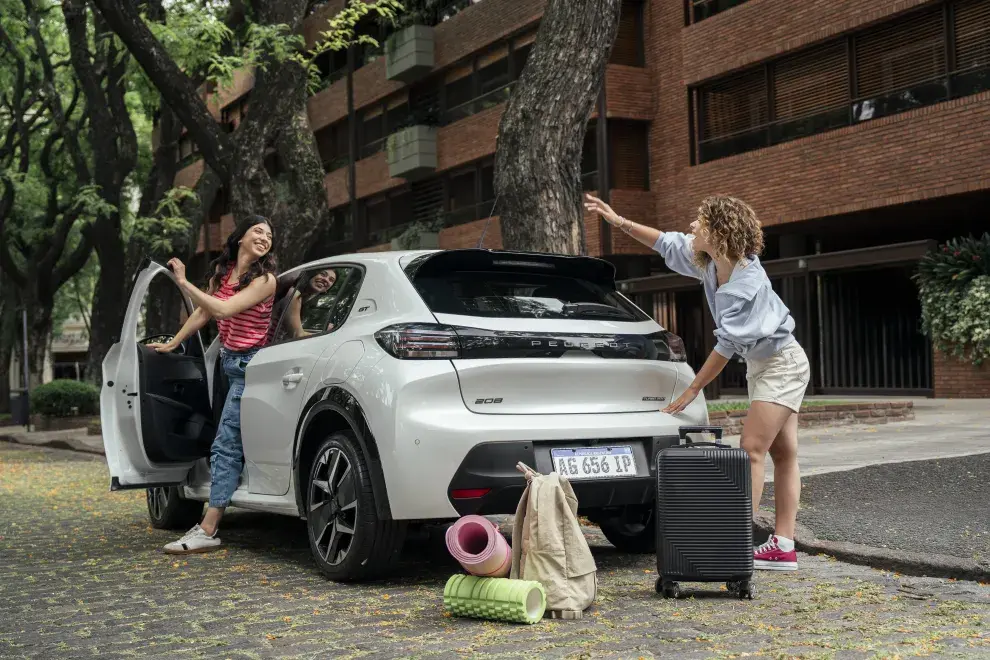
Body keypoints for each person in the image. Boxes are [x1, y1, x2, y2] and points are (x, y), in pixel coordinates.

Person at [584, 193, 810, 571]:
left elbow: (725, 346)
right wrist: (619, 221)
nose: (692, 227)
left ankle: (734, 546)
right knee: (783, 454)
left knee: (751, 449)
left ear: (719, 233)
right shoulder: (709, 264)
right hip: (765, 364)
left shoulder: (746, 283)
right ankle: (783, 546)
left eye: (700, 223)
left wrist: (692, 389)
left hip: (782, 364)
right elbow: (664, 242)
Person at [148, 215, 278, 555]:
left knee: (225, 445)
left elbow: (221, 310)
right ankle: (229, 503)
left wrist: (183, 282)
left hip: (250, 367)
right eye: (258, 231)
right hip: (227, 364)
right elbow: (203, 314)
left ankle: (209, 527)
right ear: (240, 238)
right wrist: (174, 343)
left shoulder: (265, 280)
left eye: (269, 235)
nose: (265, 238)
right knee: (223, 440)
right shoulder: (224, 274)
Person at [285, 268, 337, 338]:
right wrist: (328, 334)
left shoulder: (306, 302)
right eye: (323, 274)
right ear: (312, 274)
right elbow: (298, 335)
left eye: (331, 280)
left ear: (327, 290)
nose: (326, 280)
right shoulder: (294, 294)